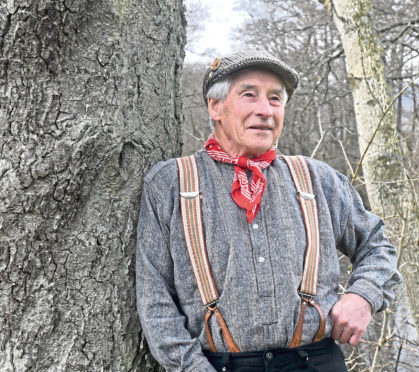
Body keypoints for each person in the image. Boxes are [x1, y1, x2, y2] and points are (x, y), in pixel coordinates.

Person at [136, 49, 402, 372]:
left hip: (317, 362)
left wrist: (364, 296)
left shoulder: (316, 178)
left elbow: (377, 245)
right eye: (249, 95)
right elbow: (156, 305)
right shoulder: (169, 184)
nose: (265, 110)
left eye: (275, 99)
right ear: (215, 106)